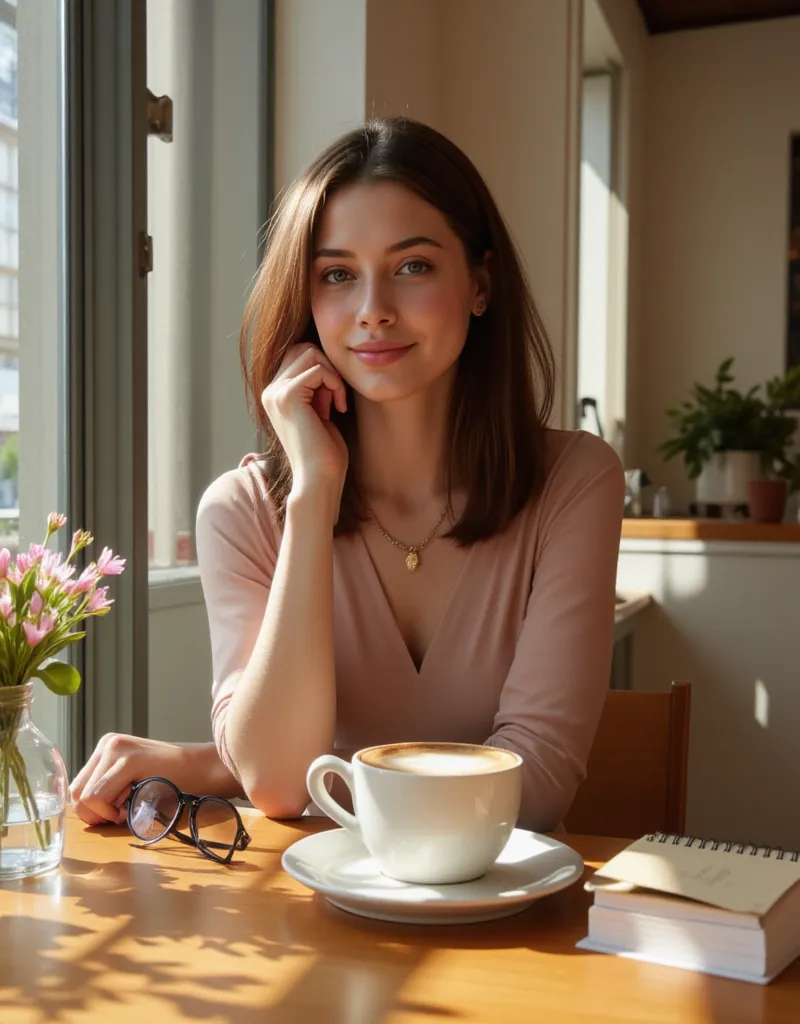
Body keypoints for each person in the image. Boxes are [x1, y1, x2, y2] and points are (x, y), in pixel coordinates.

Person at [69, 117, 624, 831]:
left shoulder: (575, 482)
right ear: (307, 300)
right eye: (337, 275)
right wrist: (312, 494)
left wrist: (220, 766)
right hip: (311, 922)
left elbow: (538, 783)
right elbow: (273, 783)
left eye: (413, 266)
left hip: (507, 931)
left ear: (480, 283)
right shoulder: (241, 513)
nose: (373, 312)